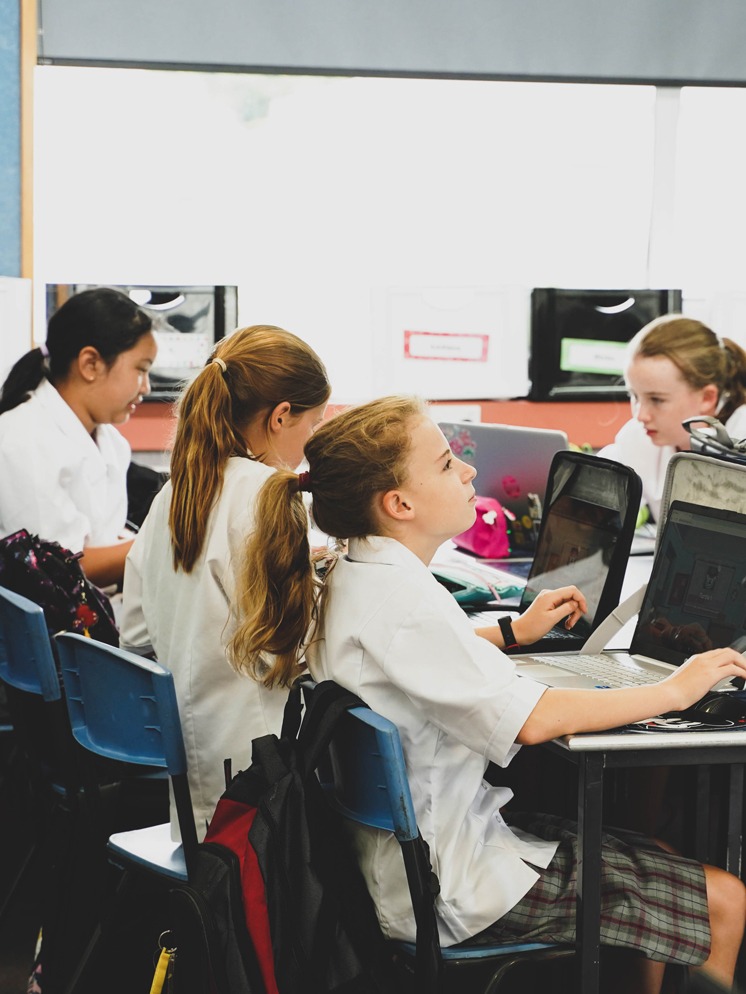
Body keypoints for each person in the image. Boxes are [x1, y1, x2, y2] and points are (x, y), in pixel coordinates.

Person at [229, 395, 746, 993]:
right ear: (399, 504)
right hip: (453, 889)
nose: (468, 471)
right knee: (724, 900)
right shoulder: (407, 601)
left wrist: (510, 631)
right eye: (448, 464)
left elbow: (408, 654)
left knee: (659, 855)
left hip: (396, 865)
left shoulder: (354, 574)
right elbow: (535, 719)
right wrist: (675, 690)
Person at [119, 324, 331, 838]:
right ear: (282, 415)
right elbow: (285, 653)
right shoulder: (271, 494)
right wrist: (317, 586)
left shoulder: (175, 492)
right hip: (260, 794)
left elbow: (134, 633)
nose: (311, 443)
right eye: (313, 424)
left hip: (193, 790)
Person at [0, 287, 156, 587]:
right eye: (141, 369)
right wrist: (159, 545)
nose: (146, 387)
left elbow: (100, 536)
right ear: (90, 364)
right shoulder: (23, 438)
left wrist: (135, 542)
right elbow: (56, 569)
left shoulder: (110, 442)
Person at [600, 315, 746, 521]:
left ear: (707, 397)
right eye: (634, 395)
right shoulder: (636, 437)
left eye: (657, 399)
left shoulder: (741, 433)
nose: (640, 415)